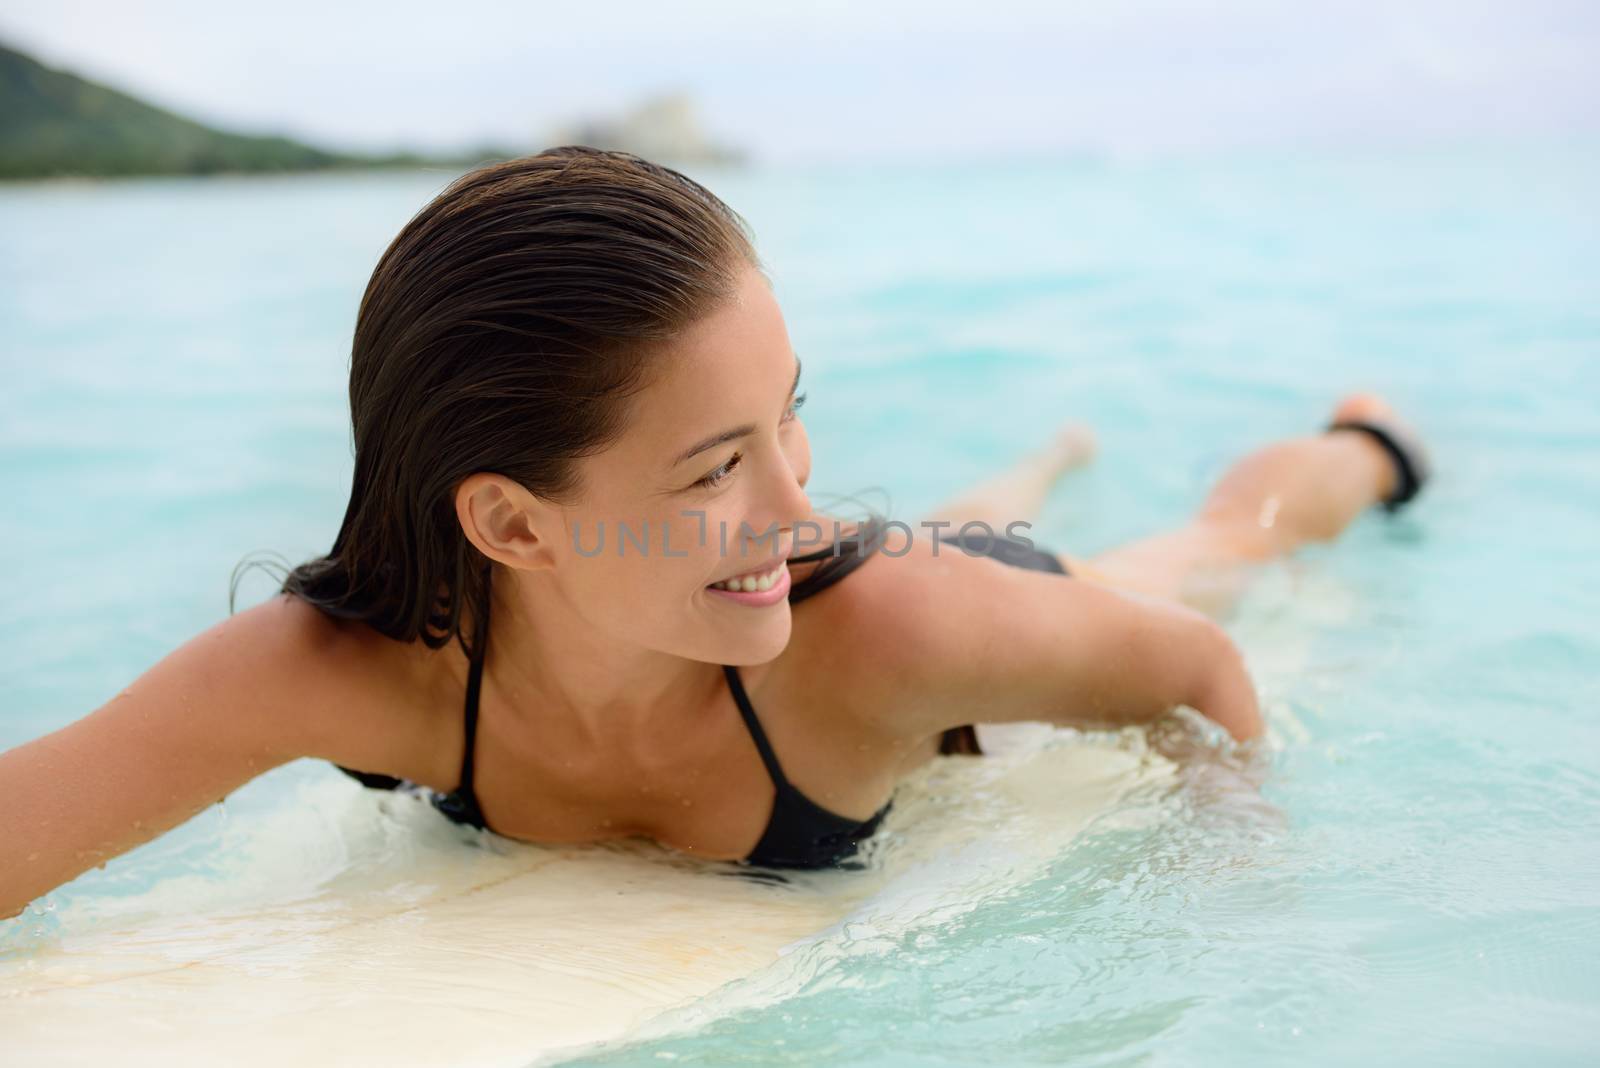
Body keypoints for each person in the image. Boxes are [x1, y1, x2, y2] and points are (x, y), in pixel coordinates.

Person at [0, 147, 1429, 916]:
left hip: (935, 624)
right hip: (850, 598)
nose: (799, 502)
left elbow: (1190, 669)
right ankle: (1036, 465)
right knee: (934, 531)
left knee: (1220, 547)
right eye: (713, 464)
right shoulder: (342, 667)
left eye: (786, 417)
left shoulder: (887, 629)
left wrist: (1233, 869)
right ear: (508, 522)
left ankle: (1358, 443)